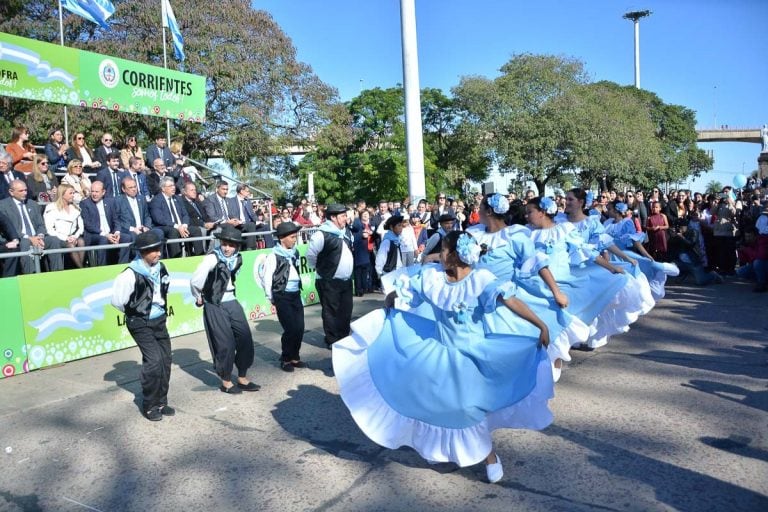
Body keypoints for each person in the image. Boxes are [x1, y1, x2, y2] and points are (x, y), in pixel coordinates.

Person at [333, 231, 553, 483]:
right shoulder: (435, 279)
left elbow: (510, 300)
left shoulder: (480, 279)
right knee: (434, 404)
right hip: (438, 351)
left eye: (445, 250)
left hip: (472, 356)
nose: (440, 255)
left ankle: (489, 456)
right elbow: (406, 290)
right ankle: (438, 449)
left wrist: (540, 325)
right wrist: (391, 301)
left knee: (467, 408)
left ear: (456, 256)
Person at [110, 232, 175, 421]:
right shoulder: (130, 274)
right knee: (153, 361)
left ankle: (162, 401)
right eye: (153, 251)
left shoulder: (161, 268)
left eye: (159, 249)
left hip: (159, 319)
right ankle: (150, 405)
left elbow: (165, 288)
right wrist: (136, 311)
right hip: (139, 322)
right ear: (142, 252)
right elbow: (117, 301)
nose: (158, 253)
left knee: (165, 359)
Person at [191, 225, 260, 394]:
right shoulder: (212, 259)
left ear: (237, 246)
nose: (227, 248)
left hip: (232, 301)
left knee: (245, 338)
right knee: (225, 343)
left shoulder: (238, 259)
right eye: (224, 244)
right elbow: (195, 280)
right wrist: (199, 296)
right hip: (215, 303)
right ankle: (226, 380)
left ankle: (242, 377)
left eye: (231, 245)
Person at [257, 222, 307, 372]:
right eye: (292, 237)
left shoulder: (294, 253)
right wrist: (271, 296)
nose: (294, 239)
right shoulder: (273, 256)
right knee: (290, 328)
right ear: (282, 239)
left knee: (300, 327)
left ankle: (295, 356)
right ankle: (286, 358)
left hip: (295, 294)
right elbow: (267, 278)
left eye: (295, 236)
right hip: (282, 295)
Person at [306, 203, 354, 348]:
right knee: (331, 312)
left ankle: (344, 338)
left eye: (346, 215)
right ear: (333, 217)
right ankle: (332, 340)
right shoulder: (321, 234)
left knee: (345, 311)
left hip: (345, 281)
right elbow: (310, 256)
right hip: (328, 281)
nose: (346, 218)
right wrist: (322, 269)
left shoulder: (345, 232)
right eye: (343, 216)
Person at [0, 179, 64, 273]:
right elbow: (9, 229)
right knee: (25, 243)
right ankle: (31, 276)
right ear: (11, 192)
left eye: (25, 190)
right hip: (19, 239)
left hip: (37, 237)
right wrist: (30, 238)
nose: (25, 193)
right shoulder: (3, 205)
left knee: (53, 240)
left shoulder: (32, 204)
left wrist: (40, 236)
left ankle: (58, 273)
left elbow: (40, 224)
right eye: (21, 191)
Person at [149, 176, 204, 258]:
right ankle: (175, 258)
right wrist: (177, 226)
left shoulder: (178, 199)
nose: (173, 188)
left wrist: (185, 225)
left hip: (181, 226)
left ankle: (199, 257)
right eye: (170, 186)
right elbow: (159, 219)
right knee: (173, 232)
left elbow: (185, 214)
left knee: (196, 230)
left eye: (173, 185)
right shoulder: (156, 200)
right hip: (165, 227)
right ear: (163, 188)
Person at [79, 180, 131, 265]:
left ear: (103, 192)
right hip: (94, 235)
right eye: (92, 191)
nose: (94, 194)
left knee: (127, 238)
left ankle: (122, 265)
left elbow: (116, 219)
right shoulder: (85, 203)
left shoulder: (110, 202)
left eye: (97, 192)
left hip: (110, 233)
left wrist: (117, 232)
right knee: (103, 240)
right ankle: (102, 267)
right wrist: (105, 234)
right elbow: (88, 225)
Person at [43, 184, 85, 268]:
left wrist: (74, 236)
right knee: (71, 245)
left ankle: (80, 267)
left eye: (73, 193)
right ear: (62, 194)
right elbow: (50, 230)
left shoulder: (75, 208)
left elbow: (81, 227)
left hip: (73, 236)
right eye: (70, 193)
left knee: (81, 242)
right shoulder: (51, 208)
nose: (73, 195)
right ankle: (81, 269)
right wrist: (66, 238)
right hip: (59, 237)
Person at [351, 209, 375, 296]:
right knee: (358, 271)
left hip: (369, 249)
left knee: (366, 270)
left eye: (367, 214)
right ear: (361, 216)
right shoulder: (358, 224)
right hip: (360, 250)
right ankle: (359, 290)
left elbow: (375, 235)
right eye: (364, 214)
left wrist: (372, 233)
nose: (365, 216)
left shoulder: (370, 224)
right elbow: (354, 234)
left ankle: (365, 287)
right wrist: (362, 234)